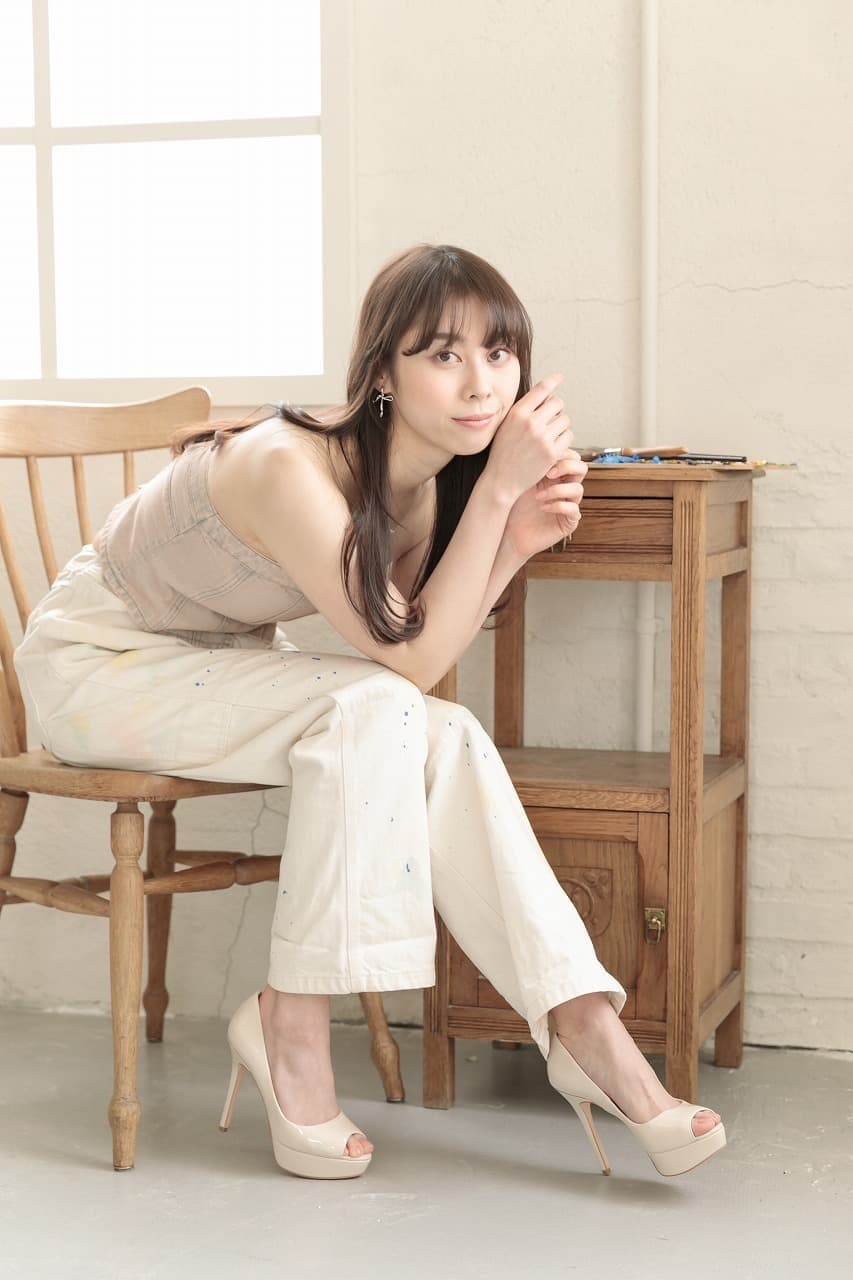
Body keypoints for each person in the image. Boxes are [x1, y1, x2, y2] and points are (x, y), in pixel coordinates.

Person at [14, 243, 724, 1181]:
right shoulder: (285, 466)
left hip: (213, 671)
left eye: (498, 353)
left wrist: (510, 540)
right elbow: (408, 661)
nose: (480, 384)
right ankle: (292, 1025)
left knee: (442, 731)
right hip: (99, 671)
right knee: (377, 706)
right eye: (443, 354)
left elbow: (414, 661)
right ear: (382, 372)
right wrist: (500, 493)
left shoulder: (418, 492)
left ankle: (582, 1021)